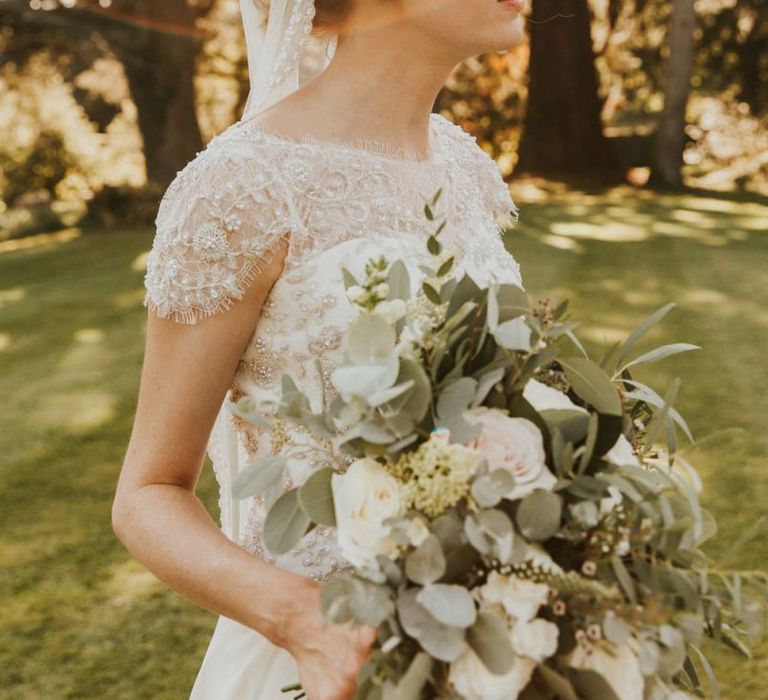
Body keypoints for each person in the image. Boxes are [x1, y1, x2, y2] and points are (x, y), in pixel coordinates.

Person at [111, 0, 527, 698]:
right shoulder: (244, 186)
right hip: (331, 662)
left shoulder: (463, 167)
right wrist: (305, 622)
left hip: (486, 635)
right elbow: (146, 495)